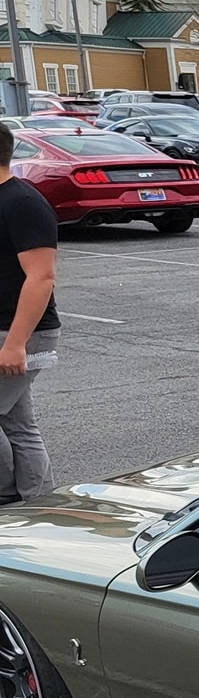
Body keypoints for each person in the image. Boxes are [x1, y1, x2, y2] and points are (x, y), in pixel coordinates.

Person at [0, 128, 60, 507]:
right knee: (18, 424)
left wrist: (16, 343)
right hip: (7, 330)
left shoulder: (22, 202)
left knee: (17, 424)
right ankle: (40, 505)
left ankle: (9, 497)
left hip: (19, 331)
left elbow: (41, 278)